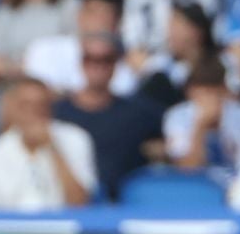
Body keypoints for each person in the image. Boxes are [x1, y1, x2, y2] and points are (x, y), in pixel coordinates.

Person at [53, 31, 162, 198]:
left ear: (116, 63)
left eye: (106, 59)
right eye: (90, 59)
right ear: (81, 62)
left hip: (122, 209)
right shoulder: (58, 112)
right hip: (71, 205)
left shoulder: (138, 113)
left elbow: (167, 144)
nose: (98, 66)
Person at [0, 77, 96, 211]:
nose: (33, 112)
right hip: (10, 230)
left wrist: (53, 148)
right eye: (26, 105)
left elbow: (80, 203)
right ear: (13, 108)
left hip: (60, 228)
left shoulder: (76, 139)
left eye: (41, 105)